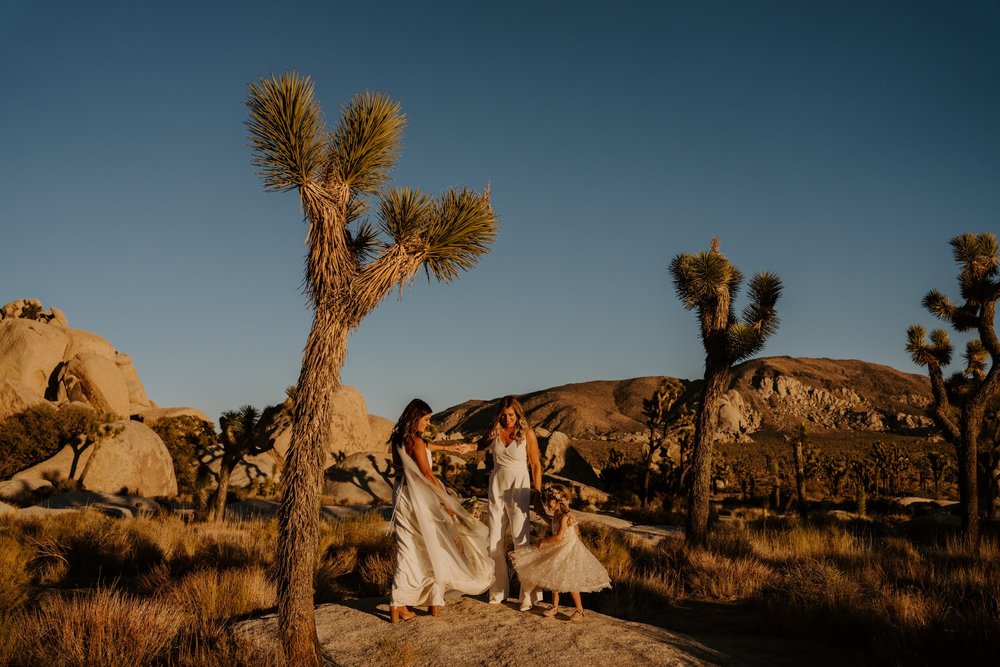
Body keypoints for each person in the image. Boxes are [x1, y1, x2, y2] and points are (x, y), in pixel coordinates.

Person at [388, 399, 492, 623]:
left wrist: (448, 447)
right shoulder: (415, 442)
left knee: (408, 546)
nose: (428, 423)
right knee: (432, 543)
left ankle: (401, 603)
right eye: (426, 420)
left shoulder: (399, 438)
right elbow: (427, 474)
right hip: (418, 498)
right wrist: (446, 498)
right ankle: (429, 600)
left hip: (401, 495)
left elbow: (424, 447)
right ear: (415, 418)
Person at [476, 395, 544, 610]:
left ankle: (528, 594)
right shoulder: (495, 431)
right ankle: (498, 590)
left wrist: (538, 493)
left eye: (511, 415)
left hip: (519, 489)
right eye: (504, 415)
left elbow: (535, 465)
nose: (507, 419)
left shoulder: (527, 434)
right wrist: (458, 448)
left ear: (518, 414)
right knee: (494, 540)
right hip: (496, 488)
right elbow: (478, 445)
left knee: (520, 540)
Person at [510, 484, 611, 621]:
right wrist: (543, 515)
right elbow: (553, 524)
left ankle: (579, 610)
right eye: (546, 501)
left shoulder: (565, 516)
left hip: (568, 549)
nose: (547, 504)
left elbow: (559, 536)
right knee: (554, 577)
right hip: (559, 548)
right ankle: (555, 607)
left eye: (549, 501)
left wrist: (544, 541)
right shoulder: (557, 514)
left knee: (570, 580)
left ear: (559, 501)